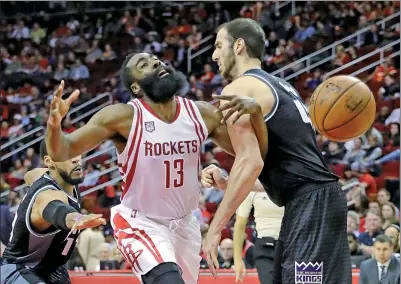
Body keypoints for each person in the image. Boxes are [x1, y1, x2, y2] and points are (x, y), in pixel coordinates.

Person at [44, 52, 267, 284]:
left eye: (156, 60)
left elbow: (253, 155)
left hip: (185, 224)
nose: (156, 63)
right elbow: (62, 151)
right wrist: (53, 124)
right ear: (136, 87)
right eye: (144, 65)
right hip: (141, 222)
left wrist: (257, 114)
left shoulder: (200, 113)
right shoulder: (123, 117)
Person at [202, 18, 351, 283]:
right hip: (312, 201)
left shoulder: (239, 88)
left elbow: (250, 162)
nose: (214, 55)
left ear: (238, 46)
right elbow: (287, 167)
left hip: (312, 204)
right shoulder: (282, 85)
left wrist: (215, 228)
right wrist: (229, 183)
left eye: (218, 45)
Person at [0, 140, 106, 284]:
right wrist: (75, 218)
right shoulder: (48, 194)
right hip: (20, 268)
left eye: (76, 151)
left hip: (53, 269)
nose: (76, 158)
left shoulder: (63, 179)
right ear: (49, 161)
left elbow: (29, 175)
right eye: (66, 154)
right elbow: (56, 209)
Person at [201, 163, 283, 284]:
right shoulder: (252, 186)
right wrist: (238, 259)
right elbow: (240, 224)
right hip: (265, 247)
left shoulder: (290, 182)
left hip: (289, 244)